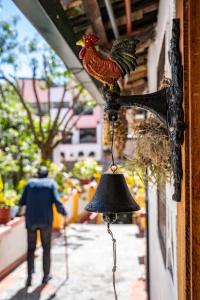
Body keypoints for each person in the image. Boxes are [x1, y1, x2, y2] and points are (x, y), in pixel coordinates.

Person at [18, 166, 67, 287]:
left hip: (31, 221)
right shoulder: (51, 184)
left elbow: (21, 202)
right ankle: (45, 276)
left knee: (31, 249)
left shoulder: (29, 184)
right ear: (47, 175)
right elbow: (57, 201)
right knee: (46, 248)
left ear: (37, 174)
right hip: (45, 221)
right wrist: (64, 212)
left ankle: (29, 277)